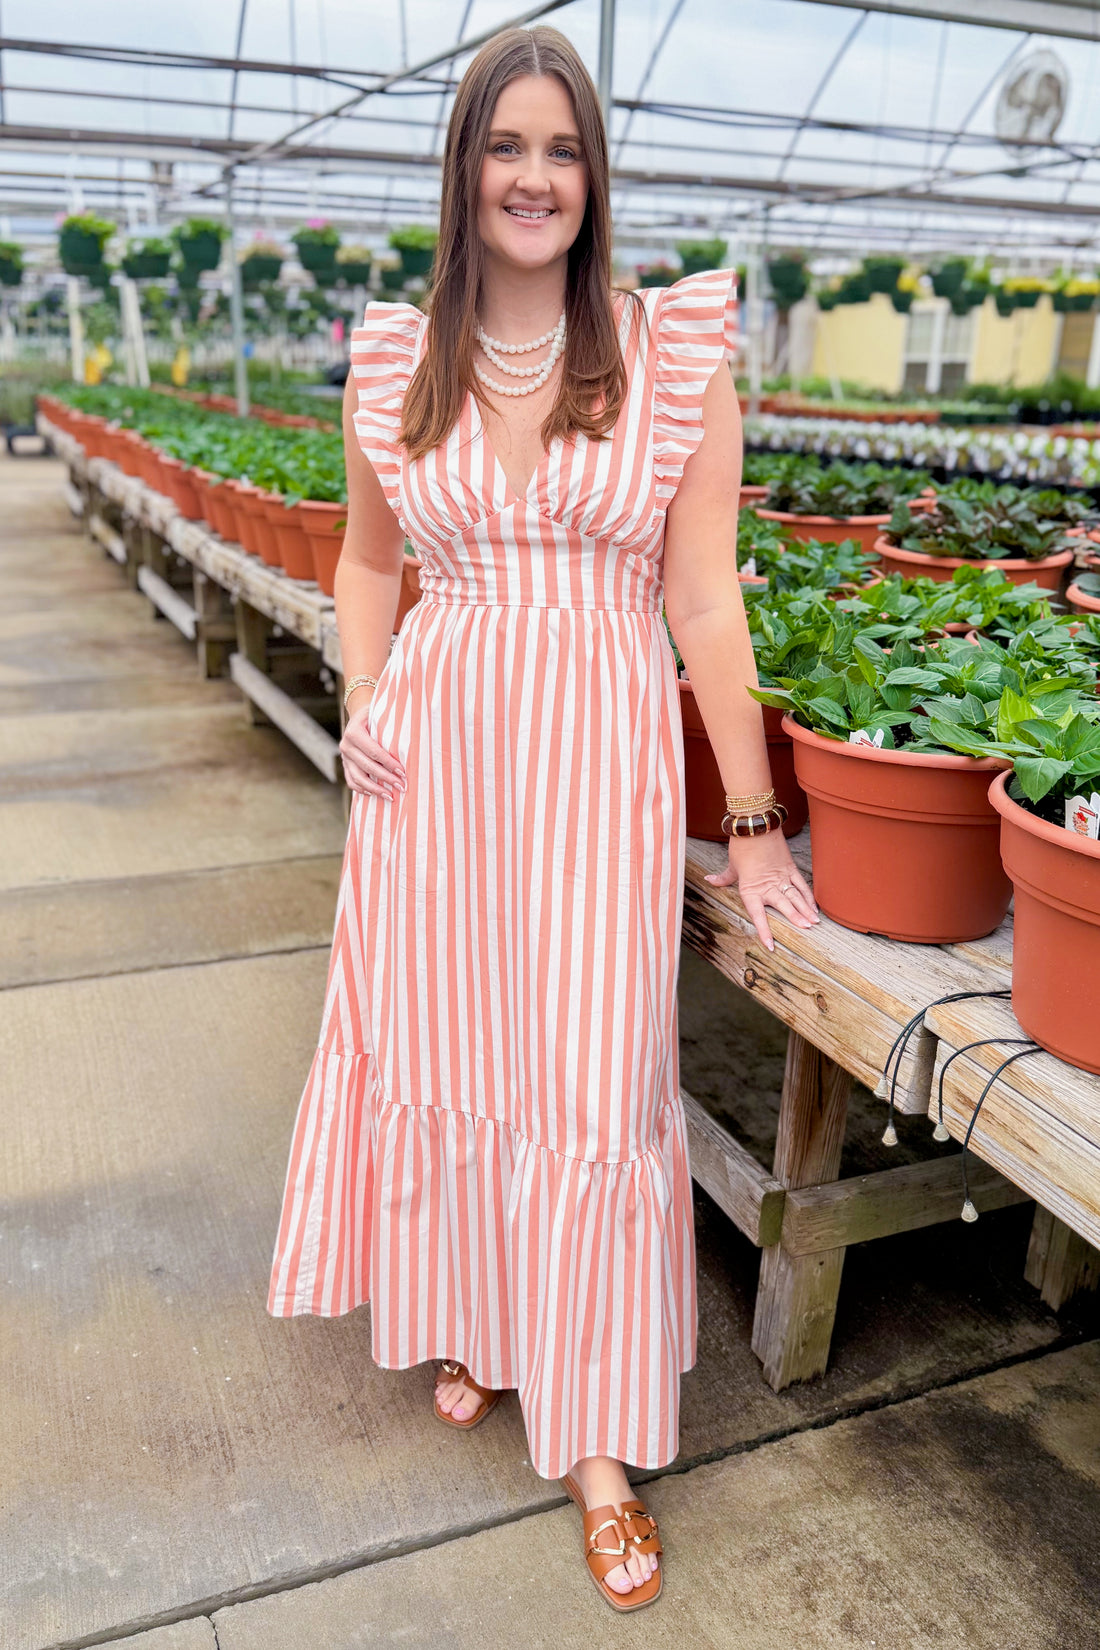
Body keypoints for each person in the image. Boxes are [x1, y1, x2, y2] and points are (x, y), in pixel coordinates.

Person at [267, 23, 818, 1614]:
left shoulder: (668, 358)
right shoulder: (396, 359)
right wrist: (367, 699)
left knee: (589, 1079)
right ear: (463, 169)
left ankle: (595, 1446)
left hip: (594, 752)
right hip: (434, 764)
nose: (533, 176)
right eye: (505, 147)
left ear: (594, 175)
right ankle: (476, 1314)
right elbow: (371, 568)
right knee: (449, 1047)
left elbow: (704, 601)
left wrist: (762, 818)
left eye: (561, 149)